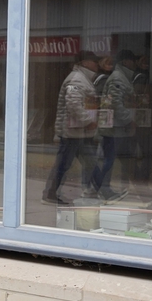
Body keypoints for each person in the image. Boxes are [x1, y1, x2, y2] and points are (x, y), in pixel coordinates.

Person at [42, 51, 100, 205]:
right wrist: (88, 121)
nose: (97, 64)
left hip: (80, 132)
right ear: (84, 62)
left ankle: (104, 191)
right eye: (93, 61)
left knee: (90, 161)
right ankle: (49, 194)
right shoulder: (77, 79)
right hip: (72, 133)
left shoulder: (84, 78)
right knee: (64, 164)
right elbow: (73, 105)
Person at [91, 49, 136, 203]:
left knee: (109, 158)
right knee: (108, 159)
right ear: (126, 61)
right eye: (132, 60)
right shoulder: (118, 78)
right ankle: (103, 189)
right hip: (113, 128)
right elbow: (115, 103)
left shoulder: (121, 76)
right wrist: (129, 119)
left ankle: (101, 188)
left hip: (115, 127)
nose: (134, 64)